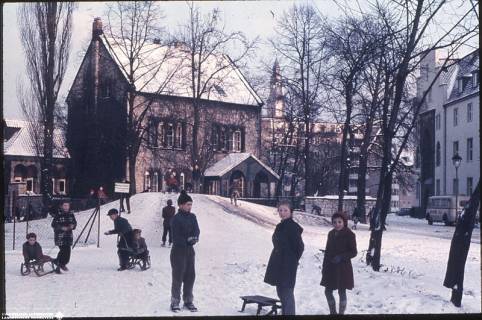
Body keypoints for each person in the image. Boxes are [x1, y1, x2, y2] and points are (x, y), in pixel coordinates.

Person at [264, 200, 304, 316]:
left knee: (286, 292)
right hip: (278, 263)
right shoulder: (280, 226)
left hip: (287, 265)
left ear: (291, 212)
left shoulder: (293, 227)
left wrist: (292, 260)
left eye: (285, 210)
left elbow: (300, 247)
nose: (282, 213)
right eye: (280, 210)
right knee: (280, 290)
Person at [321, 211, 357, 315]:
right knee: (327, 291)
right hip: (331, 267)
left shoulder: (350, 235)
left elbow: (353, 252)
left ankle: (341, 314)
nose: (337, 224)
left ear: (344, 222)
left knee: (342, 291)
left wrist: (341, 257)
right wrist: (324, 267)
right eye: (335, 222)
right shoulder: (331, 233)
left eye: (339, 222)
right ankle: (333, 312)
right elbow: (327, 251)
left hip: (343, 268)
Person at [170, 190, 200, 312]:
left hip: (189, 251)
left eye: (191, 204)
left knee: (190, 276)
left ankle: (188, 300)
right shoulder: (175, 219)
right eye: (188, 204)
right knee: (178, 276)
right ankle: (175, 302)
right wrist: (187, 241)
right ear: (181, 205)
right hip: (178, 251)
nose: (190, 207)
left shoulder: (193, 217)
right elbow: (176, 237)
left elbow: (196, 230)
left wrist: (194, 238)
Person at [51, 200, 77, 273]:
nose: (66, 207)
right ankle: (58, 264)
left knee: (68, 251)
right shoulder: (58, 214)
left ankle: (61, 263)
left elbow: (74, 223)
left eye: (67, 205)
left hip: (68, 236)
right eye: (64, 205)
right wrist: (61, 228)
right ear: (62, 206)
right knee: (63, 250)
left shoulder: (71, 214)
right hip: (60, 236)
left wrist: (73, 226)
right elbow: (53, 225)